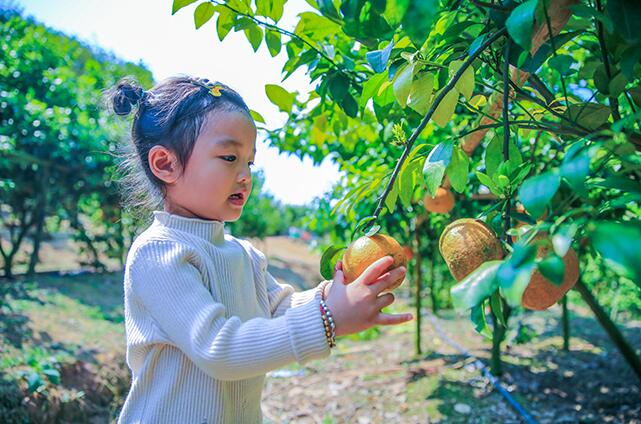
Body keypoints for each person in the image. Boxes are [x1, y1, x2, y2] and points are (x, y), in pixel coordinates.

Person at [106, 75, 413, 424]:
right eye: (228, 157)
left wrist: (333, 294)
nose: (245, 176)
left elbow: (278, 309)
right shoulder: (159, 253)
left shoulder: (243, 254)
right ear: (165, 164)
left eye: (249, 162)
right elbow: (219, 349)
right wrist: (328, 319)